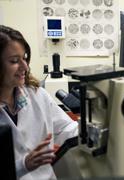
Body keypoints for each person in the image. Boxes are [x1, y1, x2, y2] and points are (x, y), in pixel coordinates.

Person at [0, 25, 78, 179]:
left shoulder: (38, 96)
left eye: (24, 58)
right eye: (14, 61)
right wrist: (23, 165)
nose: (25, 66)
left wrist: (95, 128)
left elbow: (66, 129)